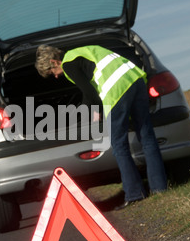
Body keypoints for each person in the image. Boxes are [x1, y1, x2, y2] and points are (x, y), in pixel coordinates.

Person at [35, 44, 167, 209]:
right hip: (136, 79)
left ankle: (134, 194)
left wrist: (88, 113)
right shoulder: (85, 50)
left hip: (117, 90)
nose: (55, 77)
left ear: (54, 62)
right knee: (146, 136)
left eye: (51, 72)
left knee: (119, 145)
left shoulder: (68, 64)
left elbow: (89, 94)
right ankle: (160, 188)